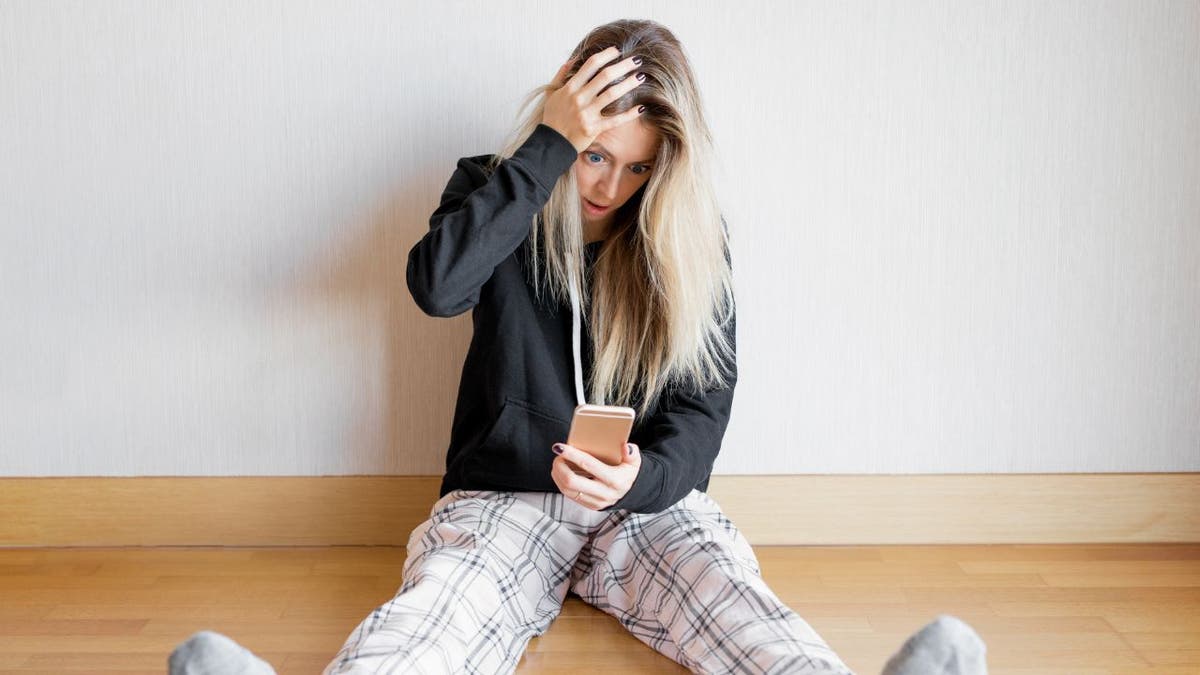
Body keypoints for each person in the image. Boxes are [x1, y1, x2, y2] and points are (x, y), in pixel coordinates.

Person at [168, 19, 988, 675]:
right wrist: (546, 152)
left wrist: (643, 478)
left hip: (645, 504)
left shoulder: (693, 241)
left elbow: (704, 411)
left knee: (735, 603)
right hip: (505, 500)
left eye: (635, 170)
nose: (606, 187)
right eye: (595, 155)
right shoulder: (496, 189)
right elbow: (436, 287)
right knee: (438, 617)